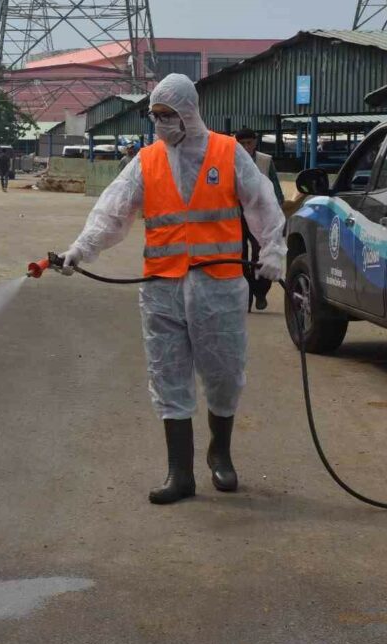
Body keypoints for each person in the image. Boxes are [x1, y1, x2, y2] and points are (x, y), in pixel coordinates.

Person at [58, 74, 286, 505]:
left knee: (222, 375)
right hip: (162, 286)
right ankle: (179, 473)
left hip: (217, 286)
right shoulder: (147, 161)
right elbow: (112, 211)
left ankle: (220, 453)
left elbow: (261, 201)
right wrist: (80, 250)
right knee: (168, 375)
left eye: (168, 116)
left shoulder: (226, 151)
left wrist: (273, 248)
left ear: (188, 112)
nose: (161, 124)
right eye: (155, 116)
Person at [235, 128, 286, 312]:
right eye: (242, 144)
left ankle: (260, 291)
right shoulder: (231, 160)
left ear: (255, 142)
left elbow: (276, 189)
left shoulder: (265, 161)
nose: (246, 147)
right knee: (239, 255)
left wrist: (277, 215)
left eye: (249, 142)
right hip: (237, 214)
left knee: (261, 253)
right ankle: (246, 296)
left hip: (259, 215)